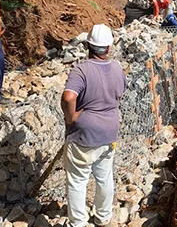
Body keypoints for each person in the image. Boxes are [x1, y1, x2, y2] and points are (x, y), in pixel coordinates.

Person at [61, 24, 127, 227]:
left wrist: (71, 117)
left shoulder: (81, 70)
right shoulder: (117, 68)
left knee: (78, 181)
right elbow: (120, 92)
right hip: (109, 132)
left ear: (88, 45)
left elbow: (68, 97)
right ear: (108, 48)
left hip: (84, 135)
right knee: (104, 176)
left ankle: (78, 222)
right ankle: (103, 217)